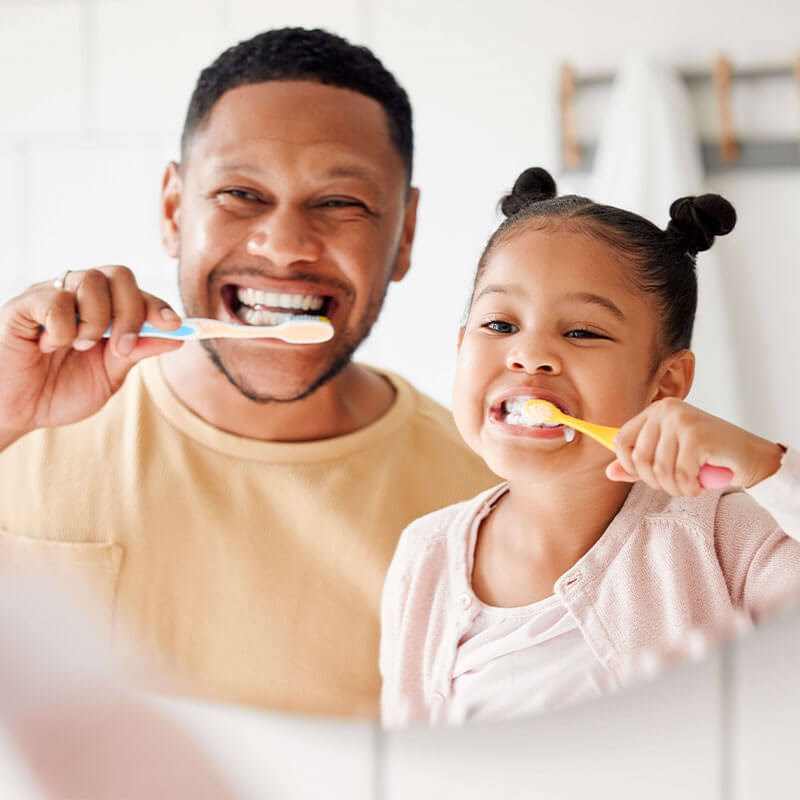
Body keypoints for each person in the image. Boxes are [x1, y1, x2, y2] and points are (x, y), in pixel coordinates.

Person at [0, 28, 497, 719]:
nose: (286, 247)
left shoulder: (487, 504)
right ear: (175, 209)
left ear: (405, 234)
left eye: (340, 203)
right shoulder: (20, 429)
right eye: (240, 193)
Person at [379, 167, 800, 728]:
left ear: (668, 383)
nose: (530, 354)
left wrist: (766, 467)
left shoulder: (727, 538)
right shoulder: (424, 554)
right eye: (500, 324)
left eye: (581, 333)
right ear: (461, 347)